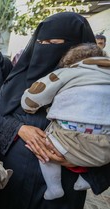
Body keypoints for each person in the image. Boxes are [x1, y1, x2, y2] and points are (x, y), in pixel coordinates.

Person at [0, 12, 110, 209]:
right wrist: (20, 129)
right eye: (41, 42)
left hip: (60, 198)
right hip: (13, 186)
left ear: (77, 46)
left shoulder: (100, 85)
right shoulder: (19, 79)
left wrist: (83, 161)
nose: (45, 48)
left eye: (54, 42)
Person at [21, 43, 110, 200]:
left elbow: (34, 97)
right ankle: (87, 180)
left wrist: (27, 103)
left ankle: (54, 187)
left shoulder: (68, 72)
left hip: (67, 143)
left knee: (44, 146)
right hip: (105, 150)